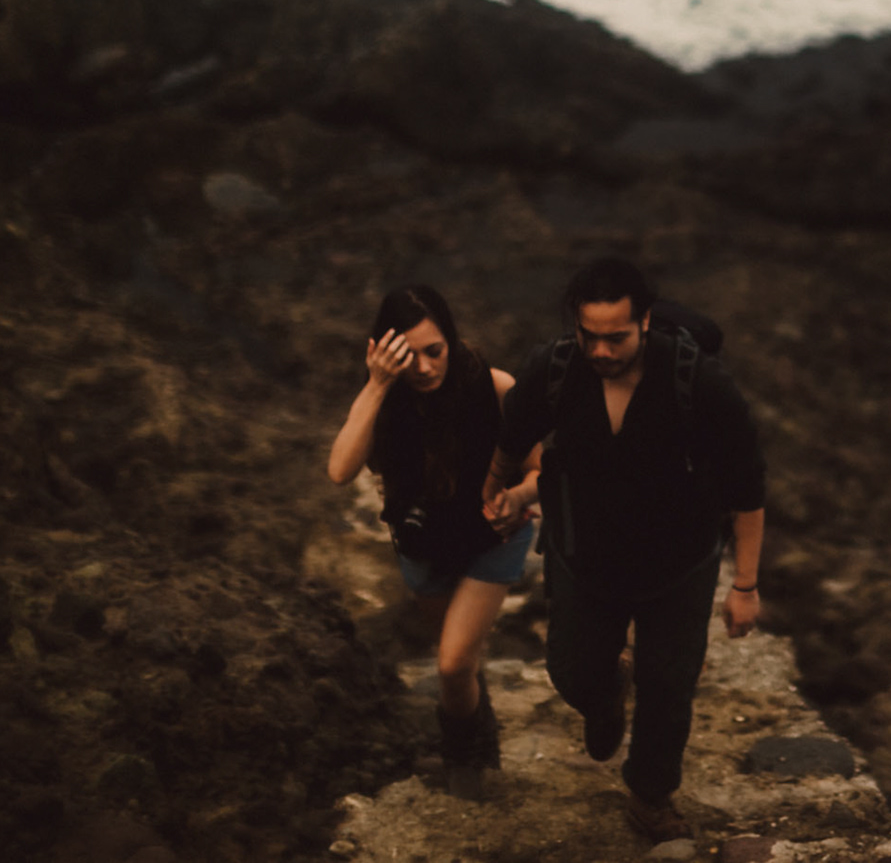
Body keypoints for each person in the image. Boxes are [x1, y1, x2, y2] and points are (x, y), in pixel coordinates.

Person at [484, 257, 765, 842]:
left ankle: (650, 796)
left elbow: (747, 487)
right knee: (571, 671)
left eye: (617, 338)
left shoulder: (698, 382)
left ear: (645, 322)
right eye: (590, 336)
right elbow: (511, 439)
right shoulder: (556, 369)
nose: (602, 350)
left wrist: (745, 585)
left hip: (679, 565)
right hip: (584, 556)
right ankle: (607, 688)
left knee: (669, 686)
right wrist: (494, 495)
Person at [327, 284, 540, 800]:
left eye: (434, 350)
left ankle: (463, 756)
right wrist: (377, 385)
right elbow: (339, 470)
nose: (423, 368)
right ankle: (481, 736)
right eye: (409, 356)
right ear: (385, 352)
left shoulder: (494, 387)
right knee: (460, 665)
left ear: (451, 338)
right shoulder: (385, 399)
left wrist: (518, 495)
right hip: (423, 547)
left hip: (492, 539)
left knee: (451, 663)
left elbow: (543, 468)